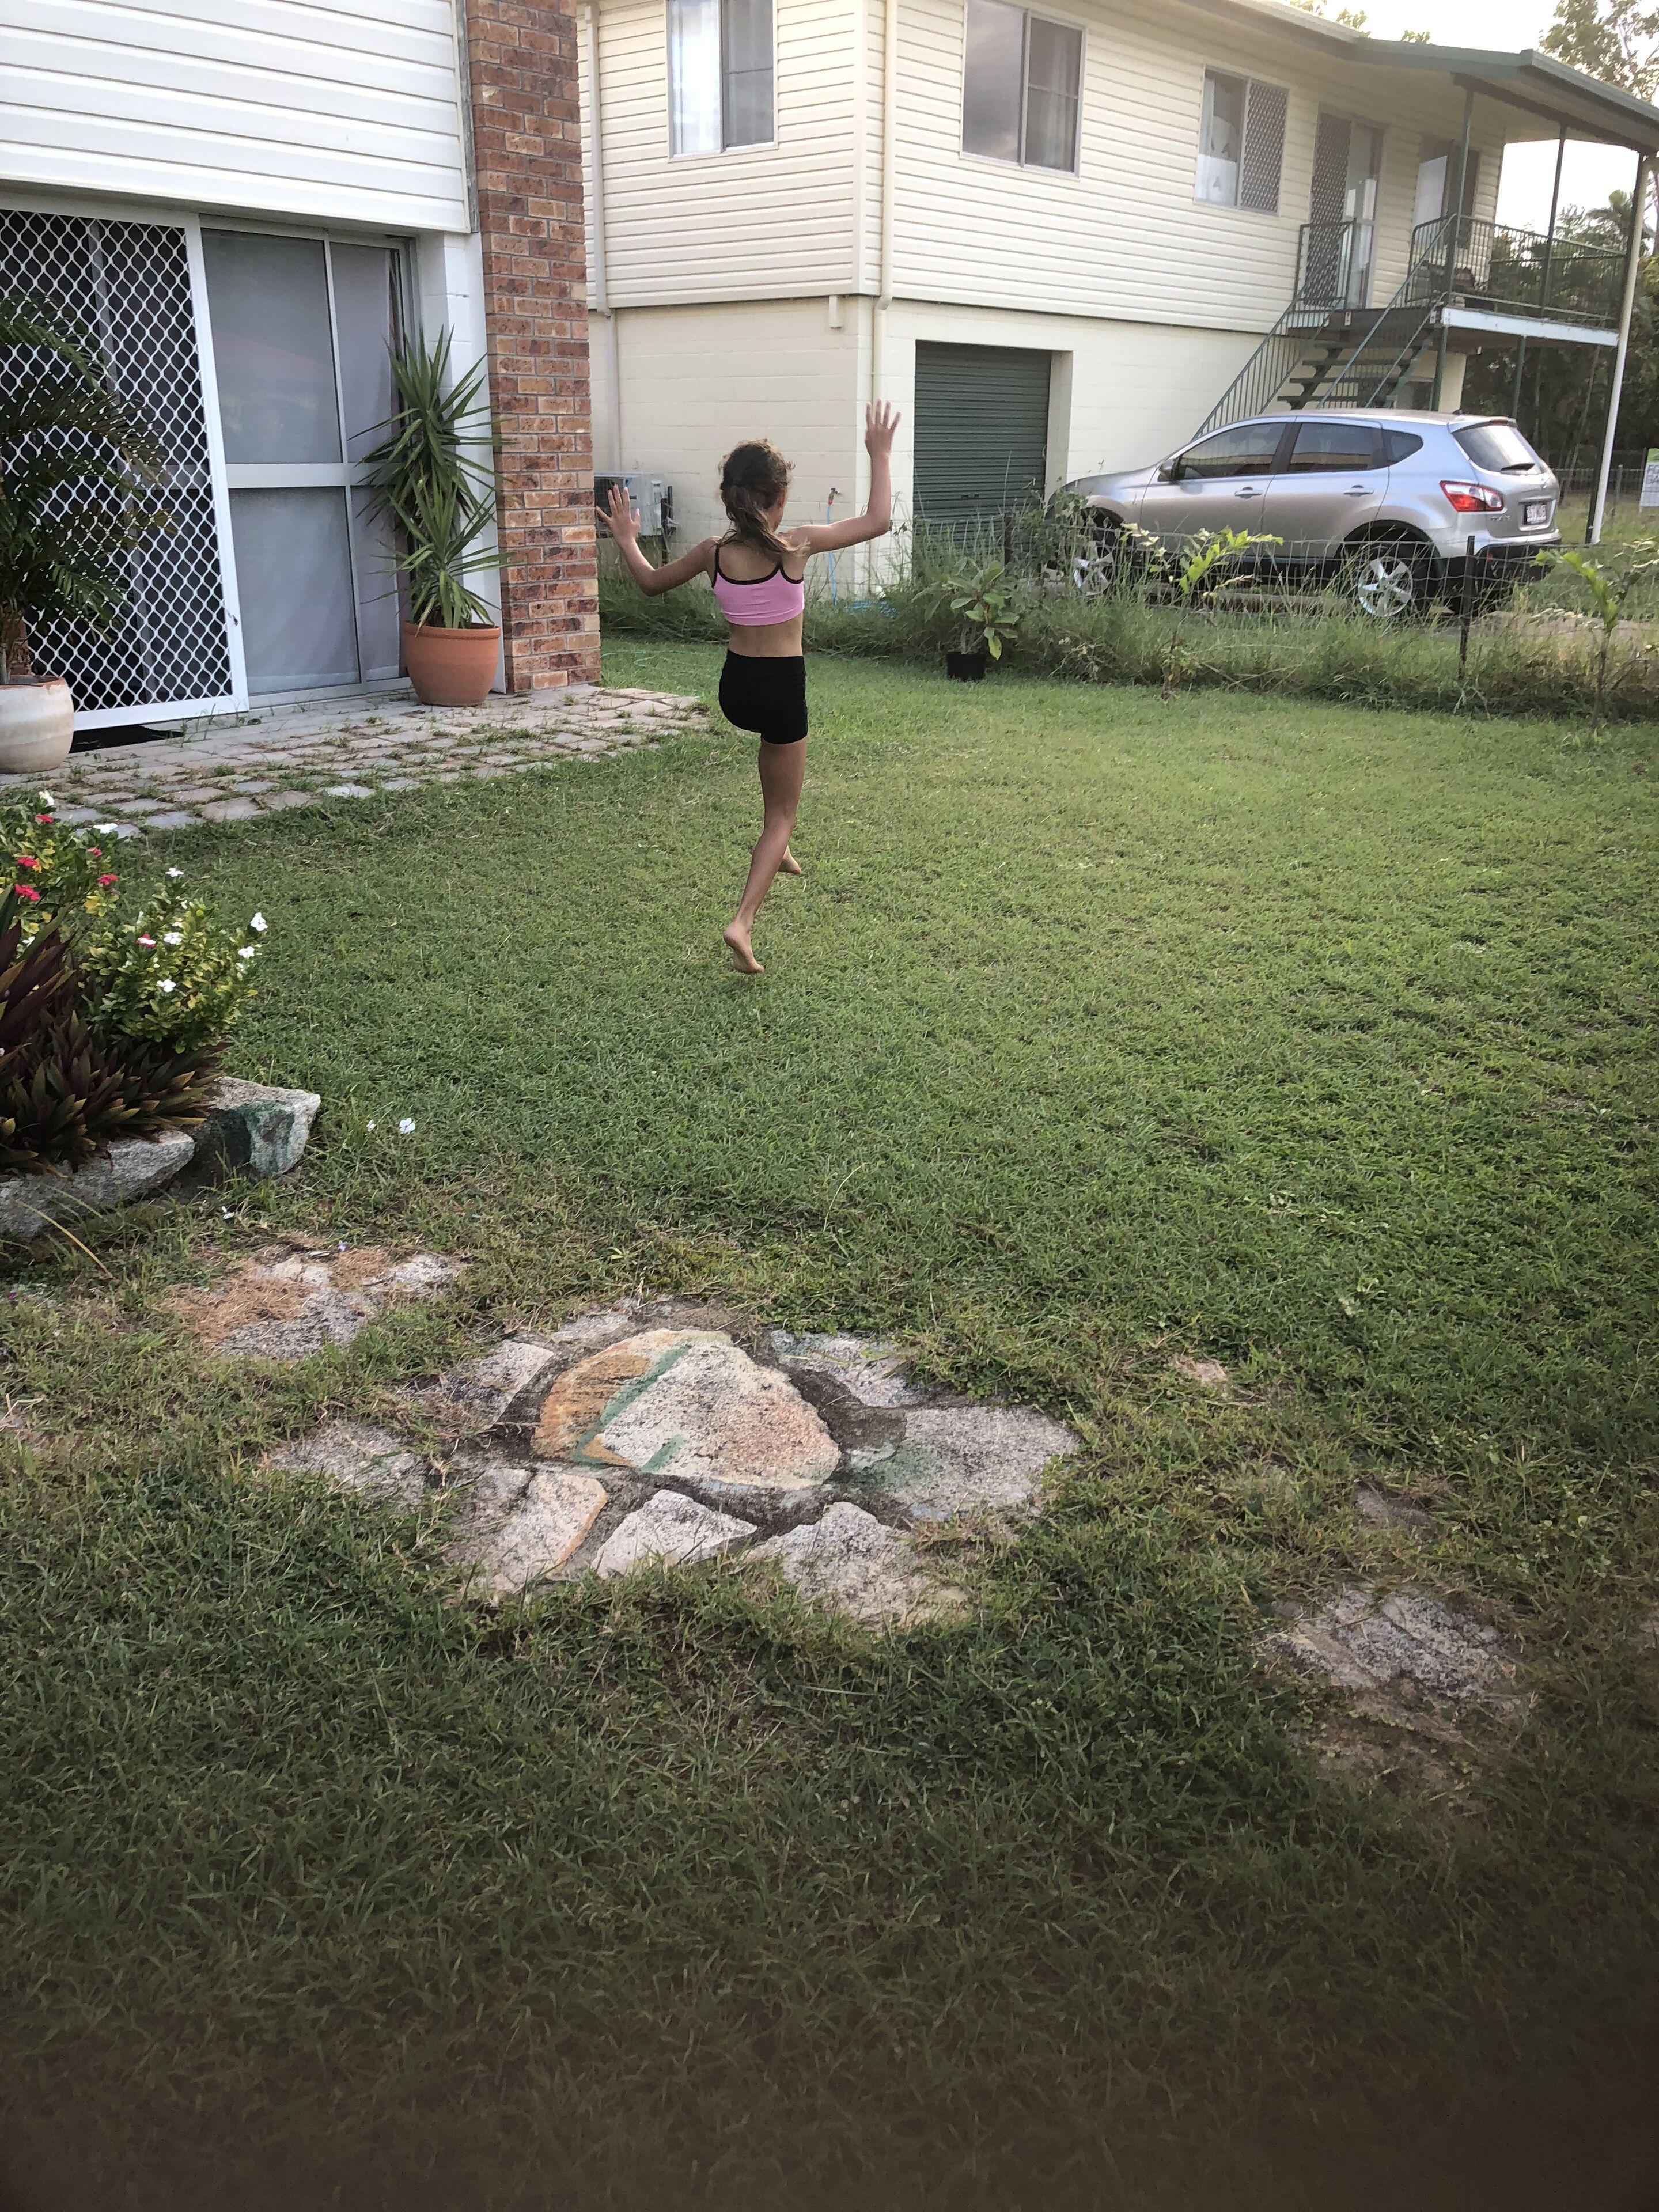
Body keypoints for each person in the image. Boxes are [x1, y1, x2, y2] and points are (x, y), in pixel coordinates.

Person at [605, 402, 899, 973]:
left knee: (773, 778)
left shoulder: (711, 553)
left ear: (729, 499)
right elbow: (878, 520)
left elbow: (648, 583)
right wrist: (879, 454)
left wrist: (626, 538)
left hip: (736, 692)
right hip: (782, 691)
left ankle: (778, 851)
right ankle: (742, 922)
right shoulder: (798, 545)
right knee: (781, 815)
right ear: (779, 497)